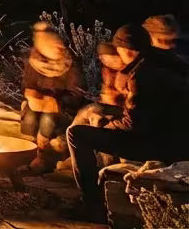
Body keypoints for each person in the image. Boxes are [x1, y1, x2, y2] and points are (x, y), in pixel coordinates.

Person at [65, 24, 189, 219]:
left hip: (161, 143)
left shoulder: (142, 75)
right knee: (100, 112)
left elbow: (134, 125)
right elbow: (144, 110)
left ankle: (92, 205)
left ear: (127, 50)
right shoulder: (165, 61)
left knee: (77, 134)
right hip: (173, 133)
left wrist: (104, 124)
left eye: (119, 50)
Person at [21, 22, 84, 172]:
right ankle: (27, 152)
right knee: (28, 114)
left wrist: (55, 102)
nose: (58, 49)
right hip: (41, 104)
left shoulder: (70, 65)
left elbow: (76, 94)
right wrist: (32, 95)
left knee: (47, 118)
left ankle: (41, 157)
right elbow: (27, 85)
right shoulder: (35, 63)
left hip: (63, 107)